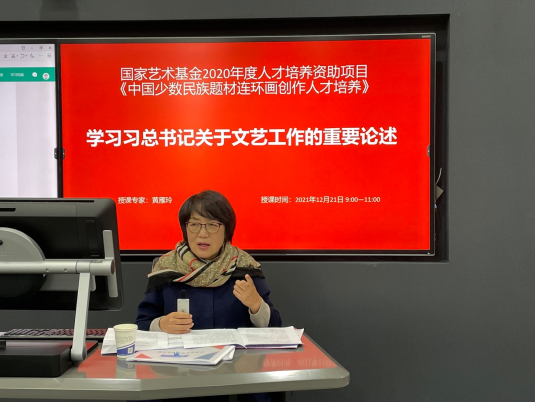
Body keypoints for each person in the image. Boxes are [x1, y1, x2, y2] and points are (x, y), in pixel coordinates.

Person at [135, 189, 281, 334]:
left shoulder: (245, 267)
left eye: (212, 225)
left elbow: (275, 327)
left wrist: (256, 305)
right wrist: (161, 324)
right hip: (181, 350)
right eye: (194, 224)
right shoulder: (166, 268)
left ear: (227, 230)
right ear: (185, 229)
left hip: (233, 349)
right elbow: (142, 324)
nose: (203, 234)